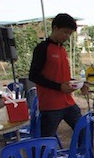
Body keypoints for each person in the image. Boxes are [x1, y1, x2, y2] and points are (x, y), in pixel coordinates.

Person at [28, 13, 87, 143]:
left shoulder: (62, 50)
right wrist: (58, 87)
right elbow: (33, 75)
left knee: (83, 129)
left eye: (69, 34)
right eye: (65, 32)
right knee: (46, 140)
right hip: (50, 105)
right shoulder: (42, 48)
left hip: (68, 102)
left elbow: (62, 76)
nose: (67, 36)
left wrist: (78, 84)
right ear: (55, 28)